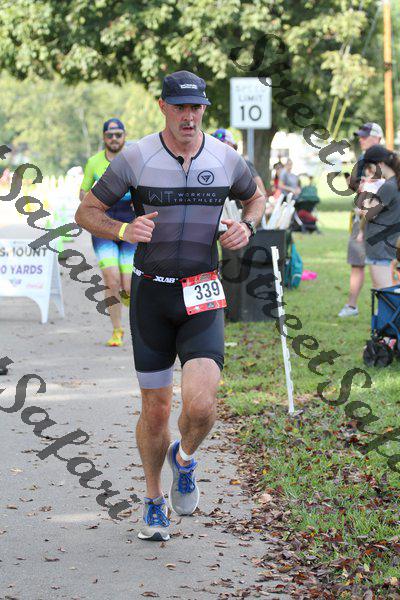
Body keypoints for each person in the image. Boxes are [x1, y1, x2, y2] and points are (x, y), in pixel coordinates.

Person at [75, 70, 266, 542]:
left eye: (196, 107)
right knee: (157, 410)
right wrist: (123, 230)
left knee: (201, 406)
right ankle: (154, 500)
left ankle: (184, 459)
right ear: (162, 106)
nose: (188, 115)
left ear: (203, 110)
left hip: (202, 292)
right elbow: (86, 212)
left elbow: (256, 196)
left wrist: (247, 225)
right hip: (152, 295)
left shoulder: (225, 158)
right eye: (179, 106)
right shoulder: (136, 156)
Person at [80, 119, 137, 346]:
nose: (114, 139)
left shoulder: (133, 161)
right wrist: (93, 203)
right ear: (104, 137)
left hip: (130, 226)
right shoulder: (94, 162)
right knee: (111, 280)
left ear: (124, 136)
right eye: (110, 135)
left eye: (118, 134)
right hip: (103, 226)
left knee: (128, 285)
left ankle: (128, 297)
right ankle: (117, 330)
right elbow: (82, 193)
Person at [338, 122, 383, 317]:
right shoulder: (362, 159)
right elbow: (356, 187)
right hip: (360, 218)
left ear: (378, 137)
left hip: (380, 219)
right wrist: (352, 182)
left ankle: (384, 308)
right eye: (360, 136)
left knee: (380, 265)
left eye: (365, 136)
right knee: (357, 262)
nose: (361, 139)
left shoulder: (388, 159)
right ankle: (351, 306)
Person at [357, 145, 400, 289]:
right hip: (388, 244)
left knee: (384, 292)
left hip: (380, 247)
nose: (370, 172)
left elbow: (369, 213)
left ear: (380, 164)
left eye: (370, 167)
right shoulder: (395, 183)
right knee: (385, 290)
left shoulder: (388, 186)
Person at [211, 128, 266, 195]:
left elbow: (260, 188)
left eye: (221, 142)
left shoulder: (242, 163)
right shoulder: (214, 165)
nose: (217, 146)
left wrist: (262, 199)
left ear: (231, 144)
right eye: (215, 143)